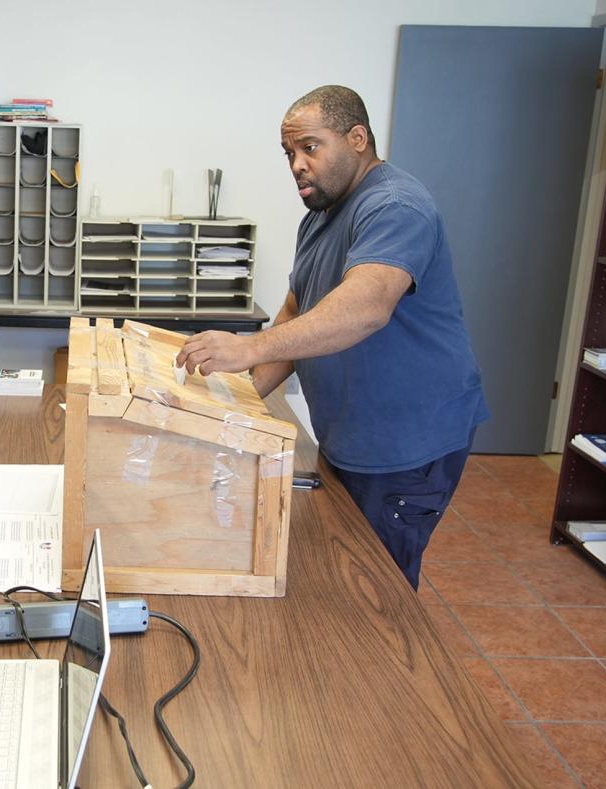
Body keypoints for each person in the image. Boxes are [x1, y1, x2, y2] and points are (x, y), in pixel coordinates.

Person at [175, 85, 488, 589]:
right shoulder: (320, 217)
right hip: (353, 432)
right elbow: (300, 309)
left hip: (407, 442)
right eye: (289, 153)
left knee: (379, 588)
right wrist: (236, 404)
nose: (297, 164)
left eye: (310, 147)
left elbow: (365, 308)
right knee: (344, 565)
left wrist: (249, 347)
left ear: (357, 138)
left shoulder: (396, 206)